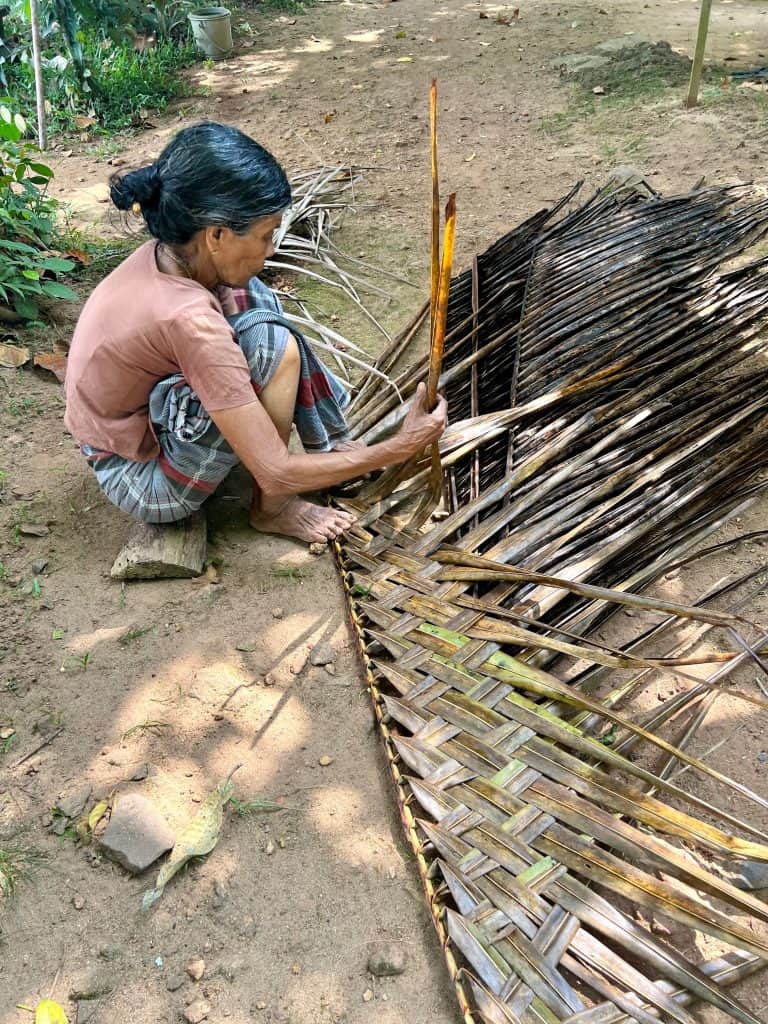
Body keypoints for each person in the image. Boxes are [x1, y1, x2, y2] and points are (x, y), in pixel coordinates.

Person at [64, 123, 447, 545]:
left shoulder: (170, 255)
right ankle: (273, 509)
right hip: (140, 479)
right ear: (216, 235)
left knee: (251, 297)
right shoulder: (189, 321)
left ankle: (293, 447)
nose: (271, 249)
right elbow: (276, 471)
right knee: (273, 347)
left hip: (120, 434)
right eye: (265, 236)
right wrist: (400, 447)